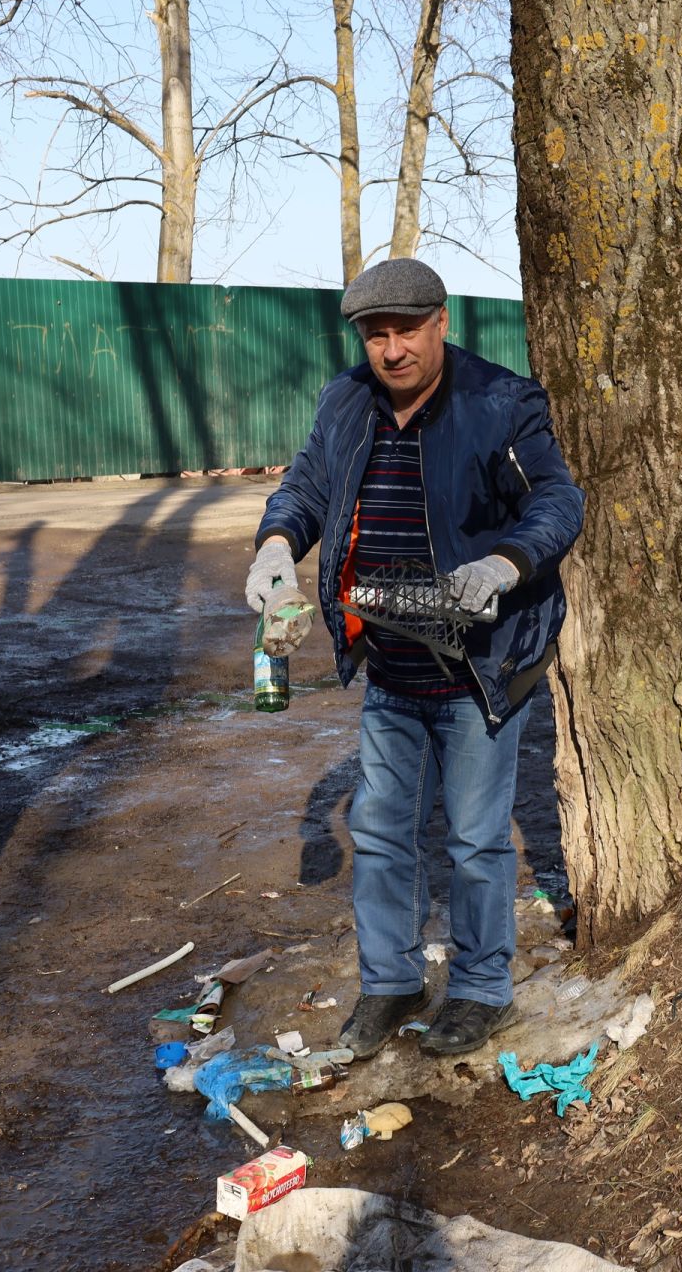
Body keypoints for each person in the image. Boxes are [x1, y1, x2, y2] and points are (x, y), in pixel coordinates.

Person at [244, 258, 584, 1057]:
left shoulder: (500, 402)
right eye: (375, 335)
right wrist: (274, 548)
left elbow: (557, 499)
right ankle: (391, 982)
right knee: (384, 832)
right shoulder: (347, 400)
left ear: (440, 322)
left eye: (405, 331)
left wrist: (505, 562)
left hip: (479, 665)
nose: (391, 351)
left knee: (473, 837)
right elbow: (305, 490)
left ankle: (479, 989)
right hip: (390, 663)